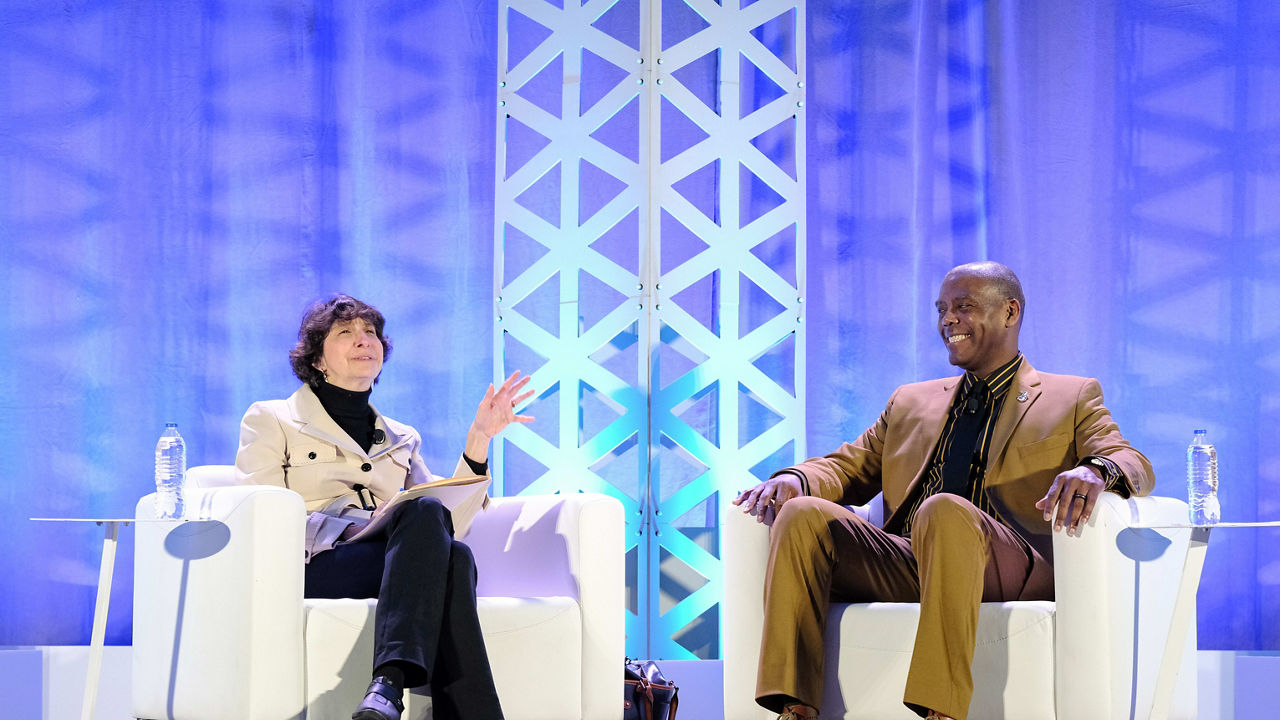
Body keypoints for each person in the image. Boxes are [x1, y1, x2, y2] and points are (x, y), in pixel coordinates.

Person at [733, 261, 1154, 720]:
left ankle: (941, 710)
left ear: (1010, 312)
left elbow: (1131, 460)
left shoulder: (1070, 396)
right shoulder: (910, 401)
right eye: (941, 309)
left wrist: (1096, 470)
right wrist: (795, 479)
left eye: (963, 307)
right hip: (913, 558)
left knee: (943, 510)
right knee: (803, 515)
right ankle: (794, 708)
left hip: (1005, 563)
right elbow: (848, 466)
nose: (948, 320)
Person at [235, 294, 533, 720]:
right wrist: (348, 529)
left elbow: (447, 523)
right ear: (317, 359)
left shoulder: (402, 437)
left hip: (392, 564)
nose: (364, 340)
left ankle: (387, 689)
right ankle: (457, 706)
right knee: (454, 559)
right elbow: (259, 512)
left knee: (450, 547)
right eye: (346, 332)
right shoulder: (272, 418)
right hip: (316, 564)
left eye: (370, 332)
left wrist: (479, 439)